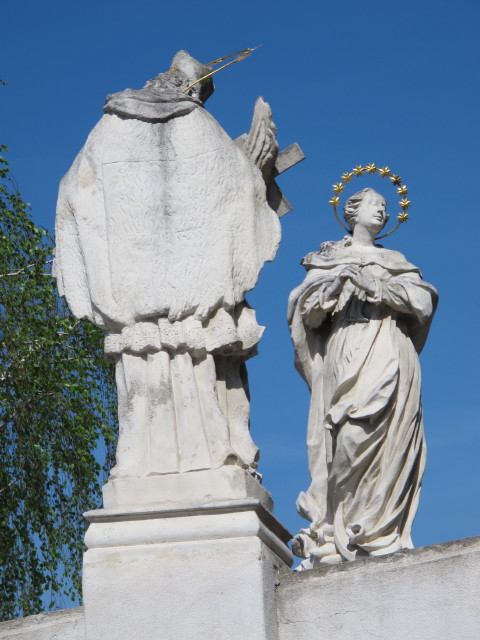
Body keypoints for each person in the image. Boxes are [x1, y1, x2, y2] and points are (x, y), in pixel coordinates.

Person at [54, 51, 283, 478]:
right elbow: (232, 189)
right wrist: (258, 168)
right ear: (194, 89)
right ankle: (211, 457)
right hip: (193, 313)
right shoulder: (200, 127)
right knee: (201, 367)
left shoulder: (107, 129)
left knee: (142, 382)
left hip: (129, 308)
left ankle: (142, 465)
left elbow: (75, 196)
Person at [288, 187, 438, 567]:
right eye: (376, 205)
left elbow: (422, 303)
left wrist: (380, 288)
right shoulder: (328, 259)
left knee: (384, 433)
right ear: (352, 211)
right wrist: (334, 285)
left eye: (386, 208)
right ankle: (335, 528)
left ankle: (375, 531)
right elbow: (305, 316)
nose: (382, 212)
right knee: (347, 436)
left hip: (389, 345)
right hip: (347, 345)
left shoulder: (394, 260)